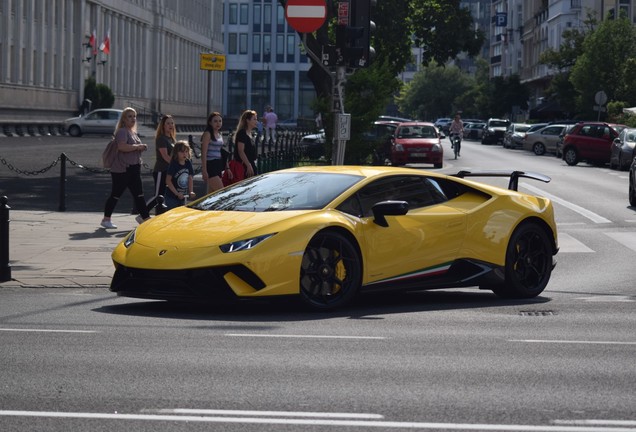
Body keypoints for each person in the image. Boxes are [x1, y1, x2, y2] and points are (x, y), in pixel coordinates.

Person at [100, 107, 151, 229]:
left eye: (134, 116)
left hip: (134, 168)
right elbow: (122, 147)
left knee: (139, 195)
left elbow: (131, 147)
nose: (133, 119)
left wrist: (141, 148)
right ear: (124, 119)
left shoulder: (132, 132)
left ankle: (146, 219)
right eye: (130, 116)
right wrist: (138, 147)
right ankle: (106, 219)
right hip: (122, 169)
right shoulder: (122, 131)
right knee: (116, 194)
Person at [146, 114, 176, 213]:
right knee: (158, 196)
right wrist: (176, 166)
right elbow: (165, 157)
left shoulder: (172, 139)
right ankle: (143, 213)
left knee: (163, 196)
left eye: (172, 123)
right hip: (160, 170)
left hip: (168, 171)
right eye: (168, 123)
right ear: (163, 125)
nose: (170, 125)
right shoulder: (161, 139)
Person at [200, 112, 230, 193]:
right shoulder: (208, 134)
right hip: (210, 164)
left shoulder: (219, 134)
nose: (218, 123)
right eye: (215, 121)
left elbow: (222, 152)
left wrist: (227, 168)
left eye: (220, 121)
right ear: (210, 122)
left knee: (212, 195)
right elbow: (204, 152)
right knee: (221, 192)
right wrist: (204, 170)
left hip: (218, 164)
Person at [165, 140, 196, 209]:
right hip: (172, 197)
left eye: (186, 151)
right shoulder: (173, 164)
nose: (184, 154)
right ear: (176, 153)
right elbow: (168, 181)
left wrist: (191, 191)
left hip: (183, 196)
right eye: (182, 152)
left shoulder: (188, 163)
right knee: (172, 215)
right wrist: (177, 193)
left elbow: (190, 178)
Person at [235, 109, 258, 178]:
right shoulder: (242, 133)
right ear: (248, 120)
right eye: (254, 119)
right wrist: (248, 165)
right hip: (244, 166)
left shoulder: (250, 134)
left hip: (251, 164)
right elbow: (240, 151)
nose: (256, 121)